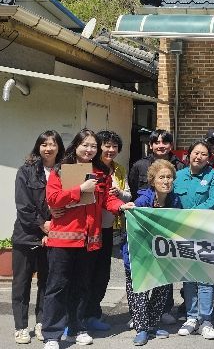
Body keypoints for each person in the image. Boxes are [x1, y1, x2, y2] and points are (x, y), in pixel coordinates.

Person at [42, 128, 134, 349]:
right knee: (57, 287)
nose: (89, 149)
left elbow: (106, 201)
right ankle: (52, 334)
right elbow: (53, 199)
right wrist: (80, 188)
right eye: (85, 145)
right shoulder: (61, 169)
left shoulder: (101, 172)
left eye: (93, 146)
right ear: (76, 146)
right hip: (63, 240)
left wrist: (121, 206)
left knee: (82, 286)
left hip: (89, 240)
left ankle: (78, 328)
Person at [126, 129, 185, 325]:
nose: (166, 181)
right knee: (140, 287)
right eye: (161, 178)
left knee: (162, 286)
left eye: (169, 177)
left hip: (162, 250)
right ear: (152, 181)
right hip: (141, 251)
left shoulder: (175, 200)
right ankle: (141, 322)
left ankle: (154, 319)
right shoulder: (143, 199)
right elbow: (135, 198)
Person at [12, 131, 65, 345]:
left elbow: (68, 202)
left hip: (53, 235)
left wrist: (52, 230)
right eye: (44, 144)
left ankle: (42, 322)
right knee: (21, 282)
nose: (48, 148)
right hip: (26, 235)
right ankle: (21, 327)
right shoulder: (26, 171)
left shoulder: (63, 171)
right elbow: (23, 206)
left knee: (47, 282)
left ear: (59, 147)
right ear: (38, 147)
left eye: (52, 144)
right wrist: (44, 226)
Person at [173, 140, 214, 340]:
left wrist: (192, 215)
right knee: (188, 277)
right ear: (189, 155)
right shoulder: (178, 176)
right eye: (196, 153)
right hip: (183, 232)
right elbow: (172, 201)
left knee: (205, 277)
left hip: (205, 232)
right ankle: (191, 318)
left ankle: (206, 320)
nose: (199, 157)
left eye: (204, 154)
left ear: (208, 158)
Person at [83, 131, 132, 332]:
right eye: (106, 145)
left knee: (101, 274)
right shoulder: (86, 168)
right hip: (86, 229)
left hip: (108, 228)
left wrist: (120, 199)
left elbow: (119, 196)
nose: (110, 150)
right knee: (84, 274)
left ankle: (92, 314)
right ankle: (76, 317)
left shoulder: (116, 170)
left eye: (114, 146)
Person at [127, 129, 185, 201]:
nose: (161, 146)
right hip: (144, 206)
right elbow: (132, 190)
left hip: (172, 206)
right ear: (151, 145)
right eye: (157, 143)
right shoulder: (139, 165)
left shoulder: (180, 167)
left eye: (165, 142)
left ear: (171, 145)